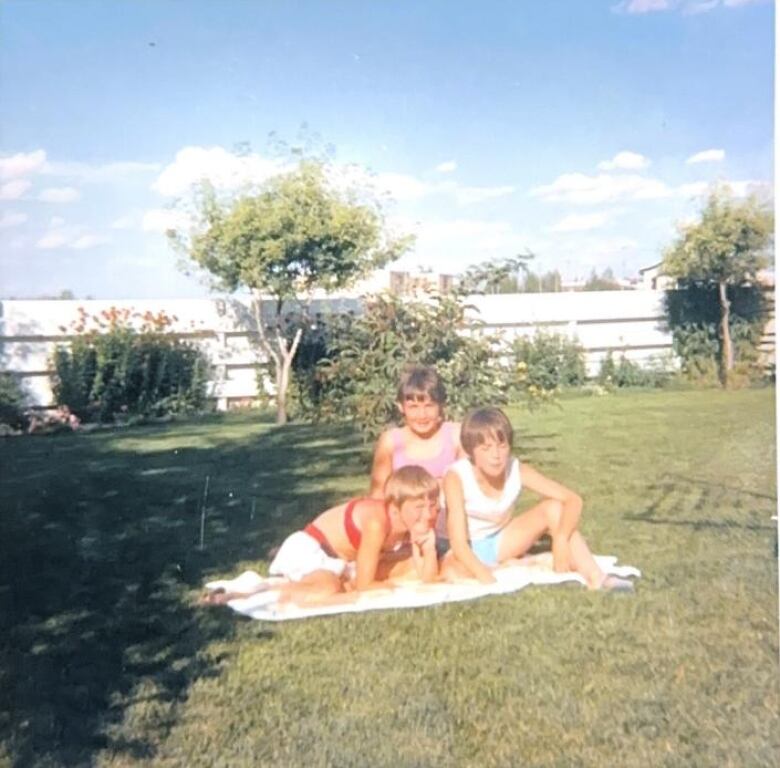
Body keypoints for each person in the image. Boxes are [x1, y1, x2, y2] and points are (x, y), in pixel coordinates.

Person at [442, 407, 633, 591]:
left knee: (554, 508)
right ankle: (506, 566)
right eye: (486, 448)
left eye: (502, 446)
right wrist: (486, 577)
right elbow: (458, 543)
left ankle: (596, 577)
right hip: (468, 547)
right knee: (452, 571)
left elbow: (572, 499)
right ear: (471, 451)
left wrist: (560, 539)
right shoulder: (456, 476)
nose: (496, 455)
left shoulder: (515, 468)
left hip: (502, 541)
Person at [203, 465, 440, 606]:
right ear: (396, 507)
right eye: (419, 508)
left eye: (433, 507)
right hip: (309, 549)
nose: (428, 514)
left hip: (336, 561)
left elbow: (428, 579)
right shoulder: (377, 522)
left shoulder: (412, 520)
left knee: (403, 566)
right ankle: (243, 595)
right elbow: (365, 585)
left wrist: (427, 548)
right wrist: (387, 588)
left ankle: (267, 588)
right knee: (327, 589)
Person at [370, 366, 464, 538]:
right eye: (413, 406)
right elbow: (378, 495)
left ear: (441, 405)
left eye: (429, 406)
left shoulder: (456, 436)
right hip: (405, 528)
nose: (422, 415)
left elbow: (470, 487)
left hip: (450, 524)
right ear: (400, 406)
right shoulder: (391, 441)